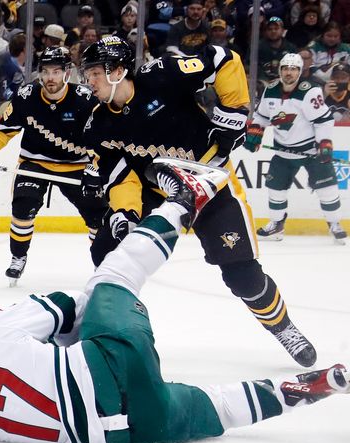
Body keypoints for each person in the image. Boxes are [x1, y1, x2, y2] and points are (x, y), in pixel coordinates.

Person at [0, 158, 350, 443]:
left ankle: (317, 386)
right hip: (110, 360)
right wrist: (18, 322)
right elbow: (71, 306)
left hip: (127, 431)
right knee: (107, 280)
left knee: (219, 407)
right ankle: (185, 200)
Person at [80, 36, 317, 367]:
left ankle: (283, 327)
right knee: (105, 248)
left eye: (93, 73)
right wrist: (124, 212)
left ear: (118, 70)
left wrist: (233, 112)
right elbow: (121, 176)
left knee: (242, 275)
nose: (87, 82)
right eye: (86, 74)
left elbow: (222, 57)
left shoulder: (161, 74)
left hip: (208, 181)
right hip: (159, 192)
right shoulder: (98, 122)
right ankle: (109, 334)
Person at [0, 47, 107, 286]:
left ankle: (105, 263)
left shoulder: (85, 99)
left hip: (76, 166)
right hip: (34, 163)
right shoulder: (27, 96)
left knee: (98, 215)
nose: (50, 78)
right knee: (22, 207)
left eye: (56, 72)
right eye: (45, 72)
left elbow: (102, 138)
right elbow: (3, 130)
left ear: (67, 74)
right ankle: (18, 257)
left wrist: (96, 168)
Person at [246, 53, 345, 244]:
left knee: (327, 189)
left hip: (310, 151)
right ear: (280, 70)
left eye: (293, 69)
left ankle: (334, 224)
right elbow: (261, 117)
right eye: (285, 68)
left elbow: (323, 120)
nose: (288, 72)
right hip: (283, 151)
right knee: (275, 189)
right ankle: (277, 224)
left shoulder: (310, 92)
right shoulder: (271, 90)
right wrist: (255, 134)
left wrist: (324, 143)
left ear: (300, 71)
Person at [258, 17, 298, 83]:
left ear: (282, 30)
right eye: (270, 29)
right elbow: (249, 65)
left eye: (276, 28)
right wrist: (263, 79)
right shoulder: (258, 46)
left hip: (285, 82)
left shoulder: (291, 48)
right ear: (266, 32)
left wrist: (281, 80)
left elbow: (296, 68)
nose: (273, 31)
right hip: (262, 82)